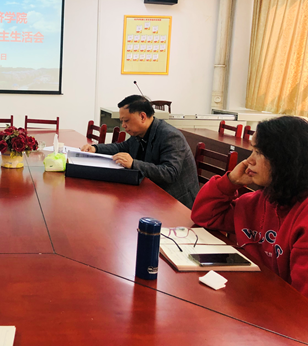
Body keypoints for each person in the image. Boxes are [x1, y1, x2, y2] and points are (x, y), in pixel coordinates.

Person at [191, 116, 308, 297]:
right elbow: (203, 216)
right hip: (248, 294)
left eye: (259, 152)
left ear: (286, 159)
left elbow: (301, 301)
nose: (249, 160)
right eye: (252, 150)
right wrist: (230, 182)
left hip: (275, 308)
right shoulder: (258, 201)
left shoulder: (303, 216)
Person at [80, 95, 198, 208]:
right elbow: (122, 147)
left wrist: (133, 163)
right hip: (150, 194)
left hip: (175, 203)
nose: (123, 125)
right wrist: (96, 148)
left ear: (142, 117)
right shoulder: (140, 132)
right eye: (122, 121)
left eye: (126, 120)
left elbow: (169, 173)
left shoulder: (170, 136)